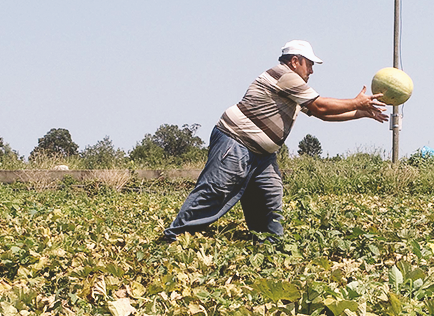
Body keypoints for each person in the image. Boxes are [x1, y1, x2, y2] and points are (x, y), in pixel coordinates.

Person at [161, 40, 388, 242]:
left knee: (269, 196)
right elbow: (321, 105)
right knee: (215, 192)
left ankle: (269, 246)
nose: (311, 71)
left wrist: (361, 112)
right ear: (295, 61)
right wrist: (356, 103)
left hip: (262, 155)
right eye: (309, 64)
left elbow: (322, 114)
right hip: (236, 141)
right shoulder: (284, 75)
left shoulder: (294, 88)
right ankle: (173, 238)